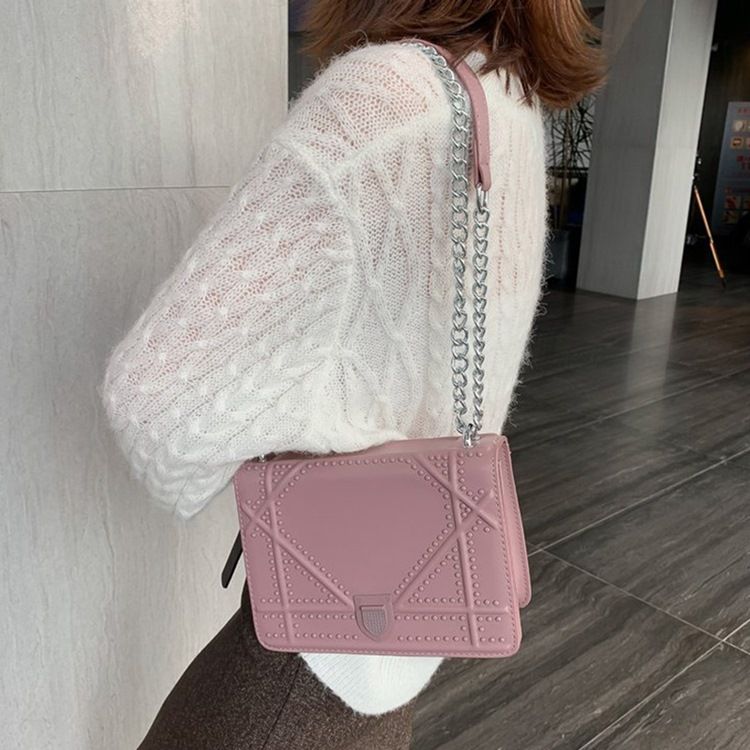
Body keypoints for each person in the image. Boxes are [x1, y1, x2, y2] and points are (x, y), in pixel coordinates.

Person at [99, 1, 606, 747]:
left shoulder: (381, 100)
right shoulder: (510, 101)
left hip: (299, 661)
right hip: (398, 639)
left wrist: (276, 436)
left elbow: (154, 400)